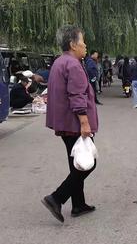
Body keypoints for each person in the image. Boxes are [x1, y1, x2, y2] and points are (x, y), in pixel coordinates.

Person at [42, 25, 98, 223]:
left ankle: (78, 204)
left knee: (76, 162)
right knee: (87, 164)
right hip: (75, 124)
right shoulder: (73, 65)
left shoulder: (60, 62)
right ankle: (56, 198)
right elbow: (76, 96)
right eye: (82, 42)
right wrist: (84, 122)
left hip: (65, 123)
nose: (85, 46)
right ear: (73, 45)